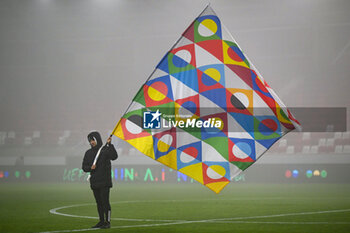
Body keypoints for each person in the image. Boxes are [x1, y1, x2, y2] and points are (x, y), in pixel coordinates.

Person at [82, 131, 118, 229]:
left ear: (98, 139)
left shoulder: (105, 150)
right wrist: (90, 167)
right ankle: (101, 221)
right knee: (99, 203)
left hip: (104, 182)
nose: (91, 142)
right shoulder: (88, 153)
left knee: (105, 201)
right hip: (94, 182)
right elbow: (84, 167)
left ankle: (108, 222)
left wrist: (110, 145)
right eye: (90, 141)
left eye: (93, 140)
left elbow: (114, 157)